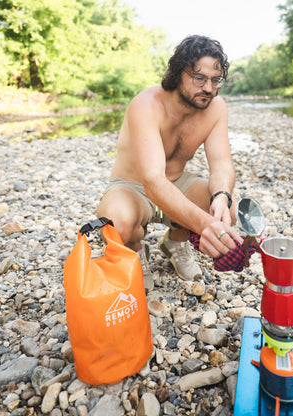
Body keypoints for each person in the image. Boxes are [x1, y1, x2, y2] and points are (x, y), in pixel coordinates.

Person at [97, 35, 241, 287]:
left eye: (215, 80)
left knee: (227, 208)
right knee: (116, 225)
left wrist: (221, 195)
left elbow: (221, 165)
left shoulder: (216, 108)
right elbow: (152, 180)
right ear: (178, 73)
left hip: (177, 182)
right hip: (133, 186)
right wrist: (204, 224)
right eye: (199, 78)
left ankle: (175, 242)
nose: (208, 88)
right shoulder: (146, 104)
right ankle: (135, 251)